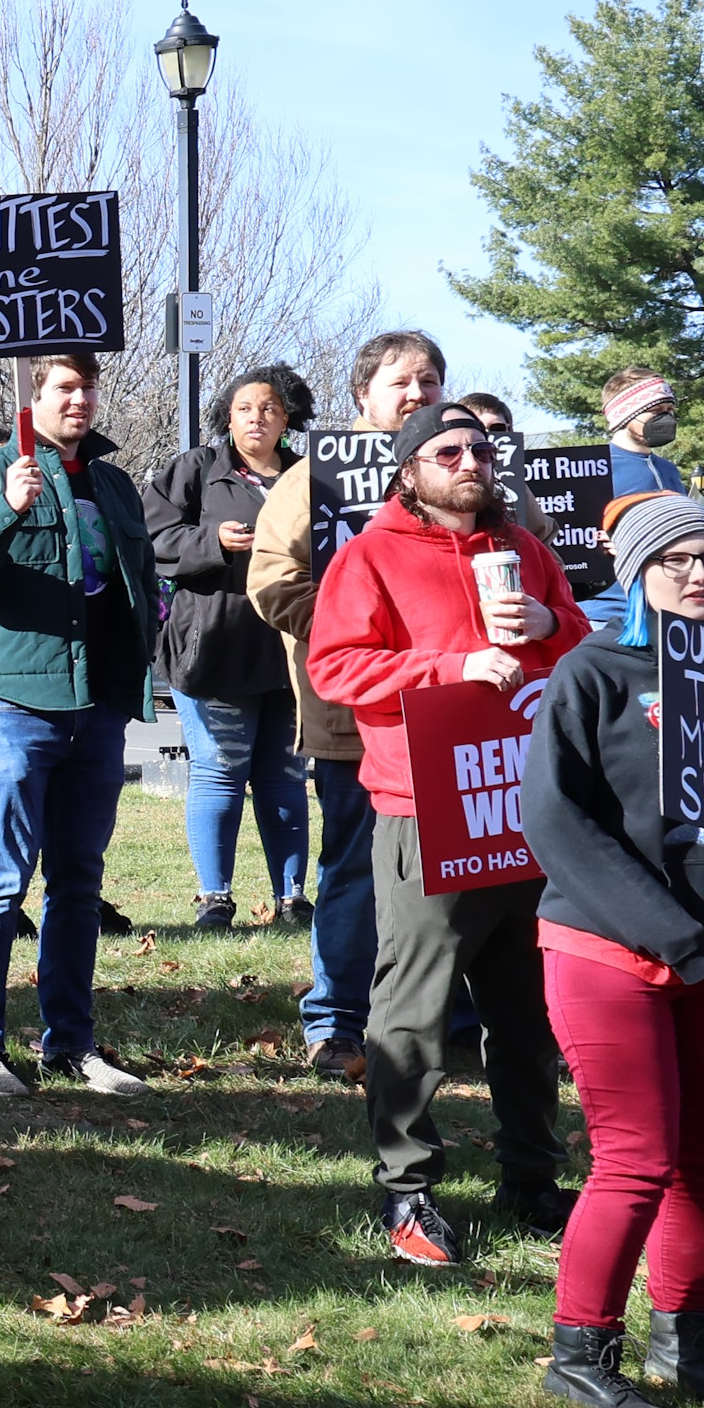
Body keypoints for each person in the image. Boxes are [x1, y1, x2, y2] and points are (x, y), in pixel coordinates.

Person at [306, 401, 587, 1266]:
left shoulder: (529, 554)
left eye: (481, 448)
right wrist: (450, 665)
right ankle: (407, 1190)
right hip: (426, 809)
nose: (471, 461)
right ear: (409, 469)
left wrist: (552, 627)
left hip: (526, 810)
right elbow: (335, 668)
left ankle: (533, 1179)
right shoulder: (370, 558)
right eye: (448, 450)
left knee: (530, 1013)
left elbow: (583, 652)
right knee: (415, 1012)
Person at [522, 493, 704, 1408]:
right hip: (606, 945)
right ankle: (581, 1354)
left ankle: (688, 1347)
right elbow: (555, 820)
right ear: (635, 574)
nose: (699, 575)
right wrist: (673, 935)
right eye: (675, 562)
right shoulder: (593, 673)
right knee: (639, 1159)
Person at [0, 352, 160, 1099]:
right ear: (33, 394)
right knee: (2, 878)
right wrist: (8, 506)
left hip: (96, 708)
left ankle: (70, 1044)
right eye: (65, 387)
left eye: (88, 387)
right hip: (9, 704)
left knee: (79, 883)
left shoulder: (116, 484)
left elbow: (138, 582)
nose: (81, 399)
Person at [249, 331, 452, 1083]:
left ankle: (449, 1016)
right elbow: (272, 582)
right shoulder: (314, 480)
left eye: (430, 381)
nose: (418, 394)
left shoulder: (466, 468)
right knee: (359, 870)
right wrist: (358, 627)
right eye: (402, 381)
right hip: (357, 718)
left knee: (454, 869)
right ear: (361, 394)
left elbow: (530, 544)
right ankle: (335, 1021)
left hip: (457, 715)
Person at [146, 364, 314, 933]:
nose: (256, 418)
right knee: (219, 771)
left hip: (290, 650)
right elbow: (151, 540)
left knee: (286, 776)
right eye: (244, 409)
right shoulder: (196, 470)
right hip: (214, 648)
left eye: (269, 408)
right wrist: (210, 541)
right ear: (228, 417)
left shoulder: (309, 476)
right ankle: (213, 898)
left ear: (287, 418)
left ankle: (293, 899)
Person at [597, 367, 689, 499]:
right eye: (656, 410)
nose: (666, 418)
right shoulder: (600, 469)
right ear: (625, 415)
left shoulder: (669, 469)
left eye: (669, 409)